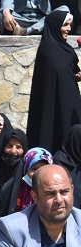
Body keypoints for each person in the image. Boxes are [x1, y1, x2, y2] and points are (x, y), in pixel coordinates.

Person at [27, 11, 81, 154]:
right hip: (52, 106)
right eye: (65, 25)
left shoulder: (66, 49)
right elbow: (50, 79)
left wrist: (76, 76)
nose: (69, 29)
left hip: (70, 103)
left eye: (70, 25)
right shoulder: (47, 49)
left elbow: (69, 72)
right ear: (55, 26)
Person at [0, 147, 54, 221]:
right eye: (34, 169)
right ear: (26, 169)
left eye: (44, 169)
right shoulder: (11, 192)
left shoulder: (56, 192)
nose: (39, 173)